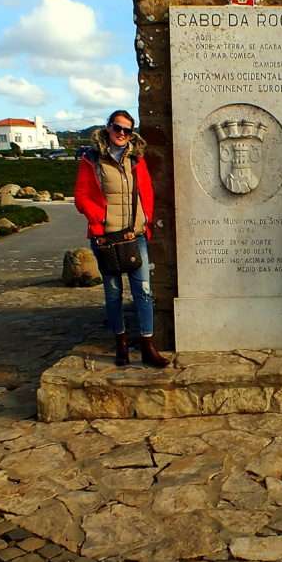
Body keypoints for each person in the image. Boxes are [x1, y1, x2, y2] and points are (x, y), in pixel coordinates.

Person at [74, 109, 168, 368]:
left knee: (143, 291)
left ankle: (148, 345)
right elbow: (81, 196)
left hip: (133, 235)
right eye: (118, 128)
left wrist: (145, 219)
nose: (122, 134)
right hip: (106, 237)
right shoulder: (91, 160)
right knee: (113, 293)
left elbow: (146, 191)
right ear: (108, 128)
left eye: (127, 130)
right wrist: (99, 219)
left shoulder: (137, 160)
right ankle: (121, 343)